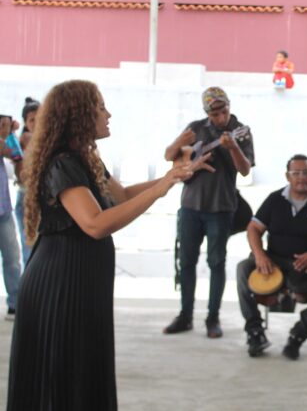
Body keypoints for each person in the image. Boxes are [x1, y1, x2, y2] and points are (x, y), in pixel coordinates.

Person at [6, 79, 193, 410]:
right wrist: (162, 187)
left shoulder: (83, 158)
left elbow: (121, 197)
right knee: (64, 376)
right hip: (61, 282)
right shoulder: (63, 162)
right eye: (100, 107)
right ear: (79, 114)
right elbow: (94, 224)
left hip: (79, 279)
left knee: (81, 369)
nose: (108, 114)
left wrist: (173, 175)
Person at [163, 86, 254, 338]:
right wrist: (179, 143)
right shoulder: (196, 128)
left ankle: (212, 318)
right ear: (206, 112)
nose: (219, 118)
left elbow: (245, 170)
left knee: (216, 263)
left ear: (229, 107)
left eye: (223, 111)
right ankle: (185, 315)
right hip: (190, 206)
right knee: (187, 262)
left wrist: (233, 147)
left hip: (220, 207)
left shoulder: (241, 131)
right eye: (214, 114)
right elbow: (169, 155)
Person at [237, 155, 307, 359]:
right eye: (296, 173)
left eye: (306, 172)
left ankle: (299, 334)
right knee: (243, 267)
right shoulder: (274, 199)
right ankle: (255, 332)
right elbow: (253, 228)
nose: (301, 178)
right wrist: (259, 255)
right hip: (275, 258)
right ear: (287, 176)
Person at [0, 115, 21, 321]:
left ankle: (15, 304)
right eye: (2, 126)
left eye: (7, 125)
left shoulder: (6, 142)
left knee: (12, 259)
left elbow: (16, 155)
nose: (5, 129)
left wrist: (13, 133)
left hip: (4, 212)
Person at [15, 97, 39, 267]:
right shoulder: (23, 140)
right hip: (26, 197)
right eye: (32, 120)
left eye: (40, 118)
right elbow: (21, 174)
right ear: (25, 122)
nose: (36, 123)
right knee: (29, 250)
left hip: (41, 198)